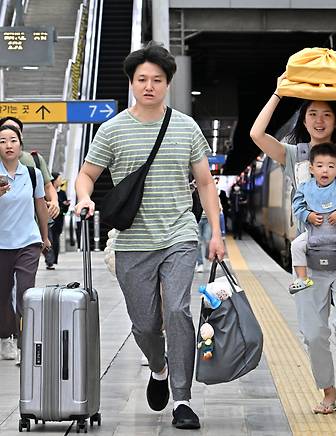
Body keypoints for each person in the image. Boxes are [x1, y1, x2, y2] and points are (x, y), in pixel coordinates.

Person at [74, 42, 224, 429]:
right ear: (131, 83)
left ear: (168, 83)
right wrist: (84, 198)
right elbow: (87, 175)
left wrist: (216, 233)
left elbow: (205, 184)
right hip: (132, 243)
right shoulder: (112, 130)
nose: (149, 86)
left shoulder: (186, 127)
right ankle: (158, 367)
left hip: (179, 236)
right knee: (143, 325)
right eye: (142, 79)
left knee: (177, 311)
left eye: (157, 79)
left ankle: (182, 399)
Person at [249, 64, 336, 414]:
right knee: (314, 334)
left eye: (326, 114)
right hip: (310, 259)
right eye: (311, 114)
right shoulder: (293, 155)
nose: (318, 120)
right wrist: (280, 92)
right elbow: (256, 134)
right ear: (304, 119)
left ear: (335, 119)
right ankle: (327, 391)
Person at [0, 125, 51, 365]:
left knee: (25, 293)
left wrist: (45, 236)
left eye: (13, 140)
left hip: (28, 242)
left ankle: (25, 344)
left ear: (20, 145)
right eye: (2, 141)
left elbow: (40, 205)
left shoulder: (33, 174)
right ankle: (6, 336)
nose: (8, 145)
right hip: (1, 244)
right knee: (2, 296)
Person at [289, 143, 336, 312]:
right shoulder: (306, 188)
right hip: (314, 231)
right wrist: (308, 216)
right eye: (320, 166)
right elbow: (297, 206)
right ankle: (302, 278)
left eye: (330, 166)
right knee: (296, 245)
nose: (325, 170)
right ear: (311, 169)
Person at [0, 116, 59, 220]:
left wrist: (54, 201)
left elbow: (48, 186)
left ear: (20, 136)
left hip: (32, 226)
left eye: (15, 129)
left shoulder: (35, 159)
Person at [45, 172, 70, 269]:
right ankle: (50, 261)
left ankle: (53, 260)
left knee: (56, 240)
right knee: (50, 240)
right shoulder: (47, 192)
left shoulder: (62, 193)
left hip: (59, 220)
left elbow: (64, 210)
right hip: (49, 219)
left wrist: (65, 205)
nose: (61, 181)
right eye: (59, 179)